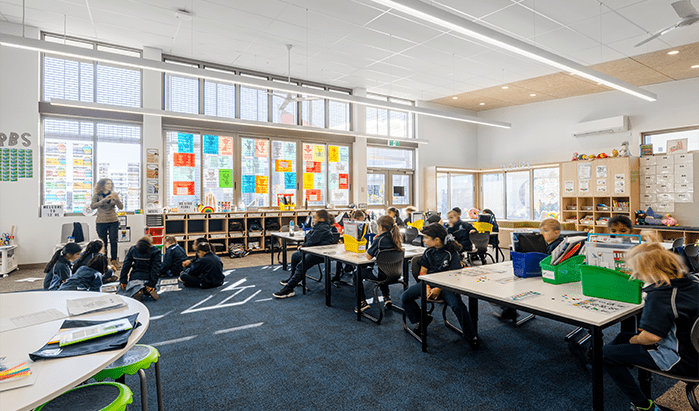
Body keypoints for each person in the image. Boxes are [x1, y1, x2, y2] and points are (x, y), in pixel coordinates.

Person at [603, 242, 699, 411]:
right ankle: (612, 364)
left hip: (683, 360)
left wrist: (635, 339)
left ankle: (643, 406)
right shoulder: (693, 280)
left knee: (605, 355)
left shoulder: (662, 295)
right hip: (693, 346)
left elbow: (651, 337)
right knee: (622, 337)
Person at [401, 224, 480, 350]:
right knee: (405, 296)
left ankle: (471, 335)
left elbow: (454, 275)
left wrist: (438, 288)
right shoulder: (428, 252)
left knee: (457, 305)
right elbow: (423, 272)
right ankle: (423, 319)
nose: (424, 240)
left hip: (447, 286)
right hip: (428, 283)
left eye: (426, 238)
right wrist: (426, 287)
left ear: (437, 240)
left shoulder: (451, 253)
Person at [274, 210, 338, 299]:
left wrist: (303, 246)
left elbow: (311, 240)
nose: (314, 219)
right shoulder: (320, 226)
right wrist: (304, 245)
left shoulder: (322, 228)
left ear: (322, 219)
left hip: (320, 254)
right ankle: (293, 279)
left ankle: (289, 288)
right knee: (295, 256)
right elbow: (310, 239)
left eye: (316, 217)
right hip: (313, 251)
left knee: (301, 265)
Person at [355, 215, 404, 312]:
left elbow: (368, 257)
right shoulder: (396, 239)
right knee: (384, 266)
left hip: (381, 275)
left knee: (357, 273)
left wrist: (374, 243)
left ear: (380, 227)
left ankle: (361, 303)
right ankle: (387, 297)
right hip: (395, 273)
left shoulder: (379, 240)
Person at [91, 178, 124, 269]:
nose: (109, 185)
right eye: (107, 184)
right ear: (102, 185)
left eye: (110, 183)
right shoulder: (97, 195)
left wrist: (116, 199)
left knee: (114, 241)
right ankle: (104, 262)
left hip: (113, 220)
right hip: (101, 221)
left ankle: (114, 261)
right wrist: (104, 200)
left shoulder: (114, 194)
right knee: (103, 242)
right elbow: (93, 206)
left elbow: (121, 207)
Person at [119, 236, 162, 301]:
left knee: (129, 288)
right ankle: (148, 289)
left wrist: (123, 280)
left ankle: (137, 290)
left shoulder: (133, 249)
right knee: (155, 286)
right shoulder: (156, 251)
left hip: (135, 278)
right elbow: (155, 269)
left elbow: (126, 265)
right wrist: (152, 283)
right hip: (148, 278)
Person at [333, 210, 366, 282]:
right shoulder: (351, 225)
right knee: (340, 257)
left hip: (354, 247)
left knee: (340, 258)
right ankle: (346, 270)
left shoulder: (358, 226)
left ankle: (338, 275)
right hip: (353, 247)